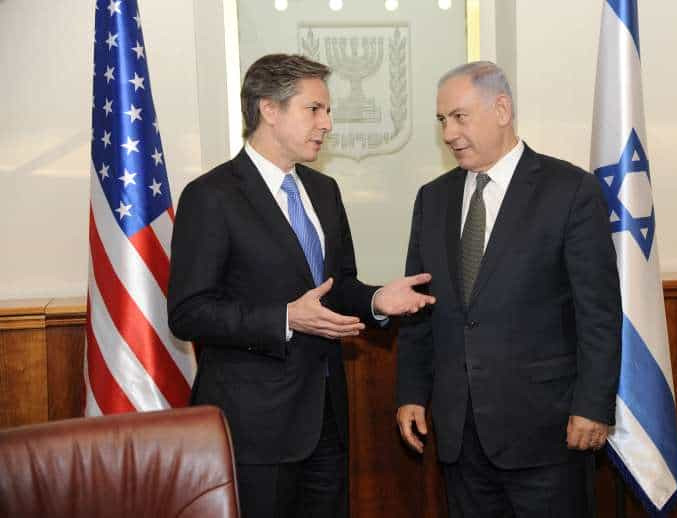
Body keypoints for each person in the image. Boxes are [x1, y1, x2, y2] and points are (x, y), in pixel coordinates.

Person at [168, 53, 434, 518]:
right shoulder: (212, 196)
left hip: (327, 417)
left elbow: (337, 286)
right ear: (269, 109)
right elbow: (188, 312)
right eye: (314, 109)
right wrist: (285, 318)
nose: (327, 123)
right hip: (255, 428)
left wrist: (377, 300)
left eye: (327, 111)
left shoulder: (324, 191)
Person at [396, 61, 621, 517]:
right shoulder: (432, 199)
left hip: (548, 432)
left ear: (501, 109)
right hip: (460, 435)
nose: (448, 133)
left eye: (459, 117)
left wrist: (593, 405)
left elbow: (598, 312)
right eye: (442, 120)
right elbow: (420, 307)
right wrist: (412, 392)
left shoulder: (570, 191)